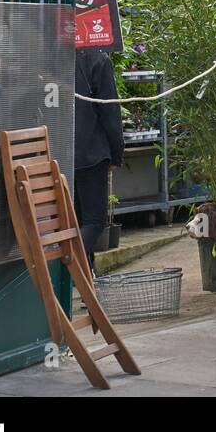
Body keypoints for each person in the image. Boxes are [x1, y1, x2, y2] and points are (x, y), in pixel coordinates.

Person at [74, 47, 124, 275]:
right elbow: (110, 112)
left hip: (58, 150)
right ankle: (68, 267)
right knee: (94, 221)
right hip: (91, 151)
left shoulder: (50, 52)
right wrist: (116, 152)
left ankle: (86, 281)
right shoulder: (97, 58)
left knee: (72, 221)